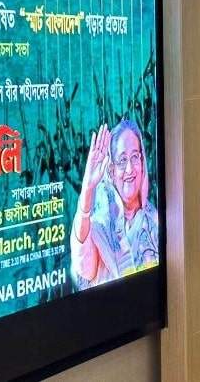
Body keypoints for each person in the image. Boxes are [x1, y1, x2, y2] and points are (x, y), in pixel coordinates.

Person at [70, 119, 159, 288]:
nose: (129, 169)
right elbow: (84, 266)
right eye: (122, 160)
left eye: (135, 157)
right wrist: (88, 188)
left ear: (142, 163)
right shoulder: (100, 228)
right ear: (111, 171)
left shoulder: (155, 221)